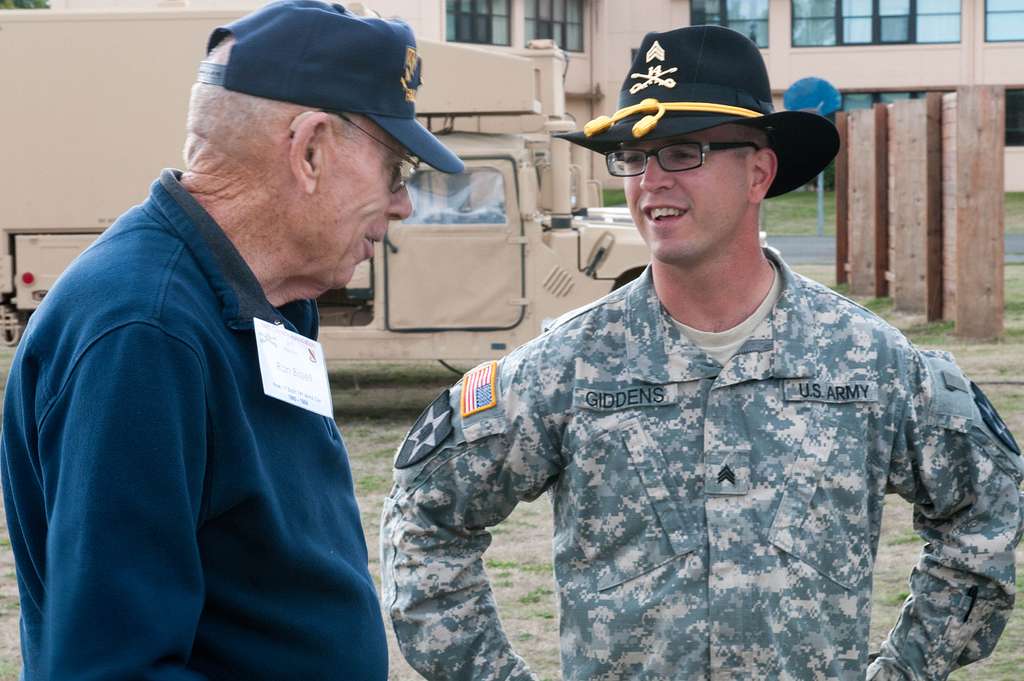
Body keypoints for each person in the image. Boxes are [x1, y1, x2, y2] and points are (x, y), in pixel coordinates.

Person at [380, 25, 1024, 681]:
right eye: (633, 155)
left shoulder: (867, 358)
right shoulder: (568, 364)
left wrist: (911, 667)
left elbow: (986, 507)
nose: (649, 180)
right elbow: (423, 519)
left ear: (758, 171)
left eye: (682, 151)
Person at [0, 2, 463, 679]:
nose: (404, 204)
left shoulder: (267, 297)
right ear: (309, 150)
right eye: (397, 170)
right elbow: (114, 668)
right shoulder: (143, 334)